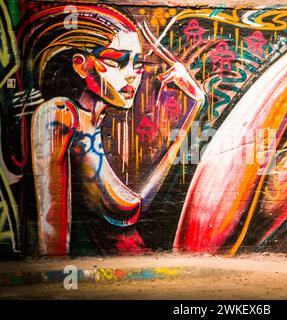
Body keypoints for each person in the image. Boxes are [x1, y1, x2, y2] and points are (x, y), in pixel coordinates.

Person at [17, 4, 204, 255]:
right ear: (81, 65)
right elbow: (52, 230)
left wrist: (197, 100)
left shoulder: (97, 124)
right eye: (117, 61)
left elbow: (139, 201)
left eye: (137, 65)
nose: (132, 77)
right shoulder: (59, 115)